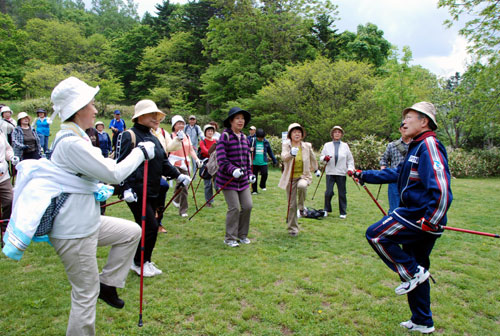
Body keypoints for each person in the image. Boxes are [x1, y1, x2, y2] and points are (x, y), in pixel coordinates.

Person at [37, 76, 153, 335]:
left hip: (85, 222)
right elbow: (113, 172)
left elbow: (86, 176)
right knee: (84, 295)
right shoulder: (71, 142)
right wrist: (140, 152)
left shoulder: (74, 138)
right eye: (90, 104)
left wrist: (95, 189)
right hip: (74, 231)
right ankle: (97, 292)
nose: (95, 110)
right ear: (78, 110)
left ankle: (108, 284)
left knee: (131, 232)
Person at [356, 102, 452, 334]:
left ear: (424, 121)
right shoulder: (416, 146)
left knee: (376, 235)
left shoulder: (428, 145)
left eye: (409, 117)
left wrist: (432, 219)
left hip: (419, 217)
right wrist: (364, 175)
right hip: (419, 216)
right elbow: (398, 173)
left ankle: (412, 272)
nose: (404, 121)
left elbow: (441, 187)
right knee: (418, 267)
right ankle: (422, 321)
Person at [116, 100, 190, 277]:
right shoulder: (129, 136)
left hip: (153, 190)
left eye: (158, 116)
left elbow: (163, 162)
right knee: (149, 226)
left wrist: (178, 175)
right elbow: (121, 164)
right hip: (135, 192)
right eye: (152, 115)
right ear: (140, 116)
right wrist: (125, 188)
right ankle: (138, 263)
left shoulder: (154, 137)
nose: (157, 119)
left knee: (151, 226)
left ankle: (145, 261)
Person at [216, 107, 255, 247]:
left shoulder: (245, 138)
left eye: (242, 118)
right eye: (237, 118)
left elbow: (247, 160)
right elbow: (221, 159)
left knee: (248, 206)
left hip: (243, 180)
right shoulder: (224, 136)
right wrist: (232, 170)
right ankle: (230, 238)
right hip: (228, 180)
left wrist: (250, 174)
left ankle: (242, 235)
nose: (241, 121)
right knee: (234, 208)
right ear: (231, 120)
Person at [278, 123, 320, 236]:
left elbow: (313, 158)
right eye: (294, 132)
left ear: (302, 134)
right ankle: (293, 228)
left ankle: (301, 208)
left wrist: (316, 169)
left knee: (302, 186)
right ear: (290, 134)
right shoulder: (286, 145)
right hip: (290, 178)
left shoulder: (307, 146)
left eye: (299, 132)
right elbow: (284, 157)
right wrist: (291, 154)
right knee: (291, 205)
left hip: (303, 176)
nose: (297, 134)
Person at [151, 121, 182, 232]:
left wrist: (178, 139)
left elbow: (170, 147)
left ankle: (159, 223)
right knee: (151, 196)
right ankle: (149, 222)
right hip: (147, 169)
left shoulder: (163, 132)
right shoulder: (145, 132)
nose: (156, 121)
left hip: (161, 167)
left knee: (161, 194)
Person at [319, 126, 355, 218]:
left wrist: (350, 169)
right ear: (332, 134)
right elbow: (321, 159)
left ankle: (343, 212)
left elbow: (350, 160)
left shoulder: (345, 146)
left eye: (339, 132)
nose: (337, 133)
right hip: (330, 172)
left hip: (341, 172)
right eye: (335, 132)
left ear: (341, 134)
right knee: (329, 192)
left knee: (342, 193)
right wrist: (324, 158)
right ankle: (326, 209)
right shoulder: (327, 145)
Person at [169, 115, 200, 217]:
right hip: (173, 162)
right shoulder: (170, 136)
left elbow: (190, 149)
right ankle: (176, 198)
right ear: (174, 125)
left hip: (184, 163)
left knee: (185, 187)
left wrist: (196, 159)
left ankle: (183, 210)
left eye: (182, 123)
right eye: (179, 123)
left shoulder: (187, 136)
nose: (181, 125)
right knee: (181, 181)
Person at [380, 122, 411, 213]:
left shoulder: (417, 145)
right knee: (394, 208)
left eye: (407, 128)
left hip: (410, 180)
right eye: (403, 128)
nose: (405, 130)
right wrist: (383, 169)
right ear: (400, 129)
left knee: (410, 207)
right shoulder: (392, 145)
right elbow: (383, 159)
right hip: (395, 180)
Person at [0, 130, 17, 233]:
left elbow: (7, 149)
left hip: (3, 176)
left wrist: (11, 156)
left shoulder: (0, 132)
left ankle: (5, 229)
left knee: (10, 200)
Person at [251, 128, 277, 194]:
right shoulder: (252, 141)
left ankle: (262, 185)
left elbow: (270, 152)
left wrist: (274, 160)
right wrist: (249, 149)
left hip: (263, 162)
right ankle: (254, 190)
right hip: (254, 162)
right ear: (257, 136)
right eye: (260, 138)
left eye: (262, 137)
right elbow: (246, 149)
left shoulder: (266, 142)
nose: (261, 139)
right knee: (254, 176)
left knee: (265, 174)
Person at [198, 124, 217, 207]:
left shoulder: (216, 142)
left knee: (217, 179)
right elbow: (205, 151)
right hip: (206, 163)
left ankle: (217, 188)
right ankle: (208, 201)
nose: (210, 132)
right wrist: (213, 153)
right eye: (208, 131)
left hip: (215, 163)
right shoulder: (202, 142)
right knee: (208, 183)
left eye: (211, 131)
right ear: (205, 132)